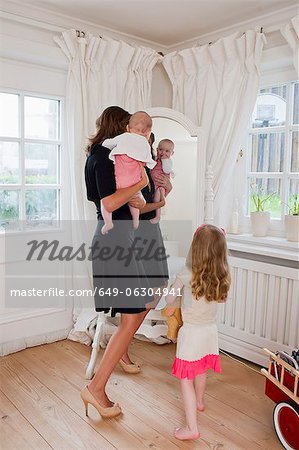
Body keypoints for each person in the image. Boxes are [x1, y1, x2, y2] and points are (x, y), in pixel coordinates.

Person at [82, 106, 169, 419]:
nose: (134, 136)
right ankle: (96, 388)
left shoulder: (113, 158)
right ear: (120, 128)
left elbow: (131, 201)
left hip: (121, 240)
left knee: (144, 303)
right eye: (130, 129)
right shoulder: (103, 158)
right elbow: (109, 202)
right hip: (113, 243)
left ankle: (114, 361)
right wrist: (141, 181)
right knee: (131, 318)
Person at [165, 224, 231, 440]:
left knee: (186, 379)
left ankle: (191, 428)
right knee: (201, 369)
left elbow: (169, 298)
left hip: (191, 334)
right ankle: (200, 402)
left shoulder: (186, 274)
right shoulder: (220, 277)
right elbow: (221, 299)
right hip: (210, 332)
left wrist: (173, 293)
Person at [101, 111, 156, 234]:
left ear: (127, 128)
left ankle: (108, 223)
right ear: (148, 133)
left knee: (104, 204)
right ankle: (136, 221)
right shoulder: (145, 145)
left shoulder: (125, 137)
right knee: (136, 201)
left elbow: (106, 144)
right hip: (135, 181)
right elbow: (149, 162)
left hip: (119, 181)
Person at [150, 139, 175, 224]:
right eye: (161, 150)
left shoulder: (168, 162)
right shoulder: (155, 160)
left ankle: (157, 216)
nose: (163, 153)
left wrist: (164, 160)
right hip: (155, 185)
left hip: (161, 186)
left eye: (167, 151)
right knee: (156, 197)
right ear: (157, 150)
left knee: (158, 196)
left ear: (172, 153)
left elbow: (167, 170)